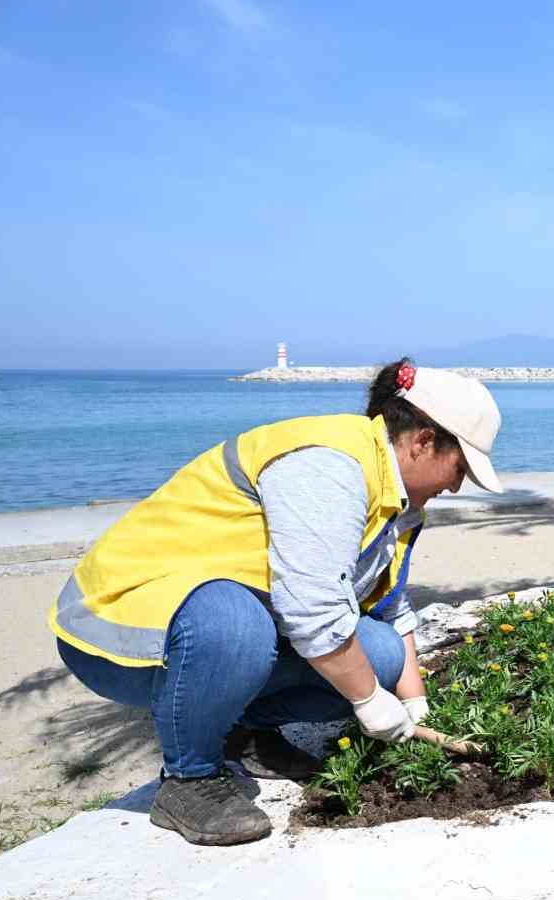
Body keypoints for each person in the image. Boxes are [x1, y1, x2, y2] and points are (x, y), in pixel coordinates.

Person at [48, 360, 503, 846]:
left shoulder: (398, 501)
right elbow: (312, 613)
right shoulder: (329, 465)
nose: (456, 486)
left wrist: (415, 708)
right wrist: (370, 702)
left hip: (223, 631)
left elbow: (391, 607)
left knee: (383, 653)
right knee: (239, 624)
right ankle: (190, 779)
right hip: (116, 630)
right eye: (460, 468)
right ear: (424, 441)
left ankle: (243, 734)